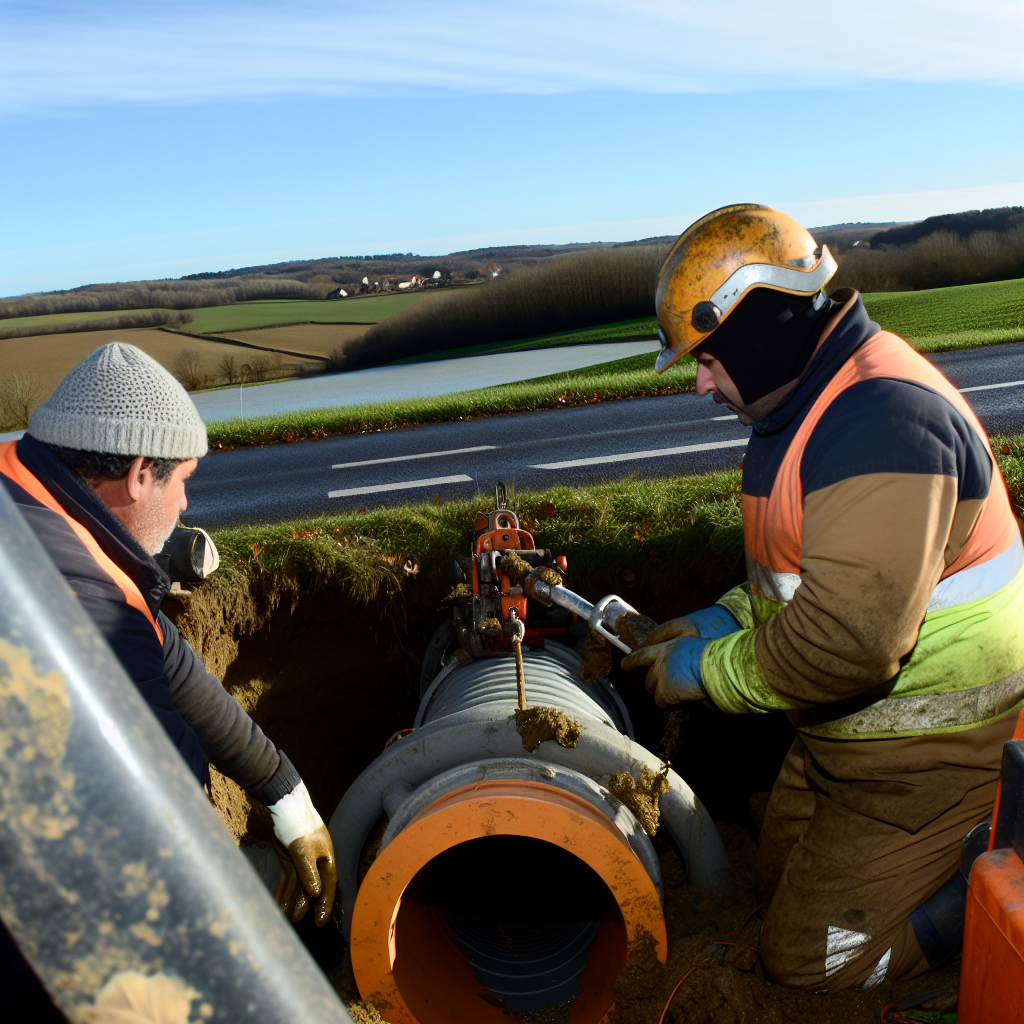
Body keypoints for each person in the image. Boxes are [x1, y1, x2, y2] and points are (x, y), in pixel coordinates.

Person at [622, 205, 1024, 990]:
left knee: (811, 960)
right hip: (845, 746)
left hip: (939, 764)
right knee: (774, 887)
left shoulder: (882, 423)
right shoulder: (806, 407)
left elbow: (848, 639)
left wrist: (705, 671)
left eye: (707, 358)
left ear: (757, 330)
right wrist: (726, 615)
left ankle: (983, 867)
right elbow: (802, 577)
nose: (702, 383)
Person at [0, 342, 336, 929]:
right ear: (138, 476)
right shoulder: (82, 605)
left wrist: (288, 800)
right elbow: (168, 828)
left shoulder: (28, 486)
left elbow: (174, 666)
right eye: (183, 480)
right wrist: (256, 887)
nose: (186, 502)